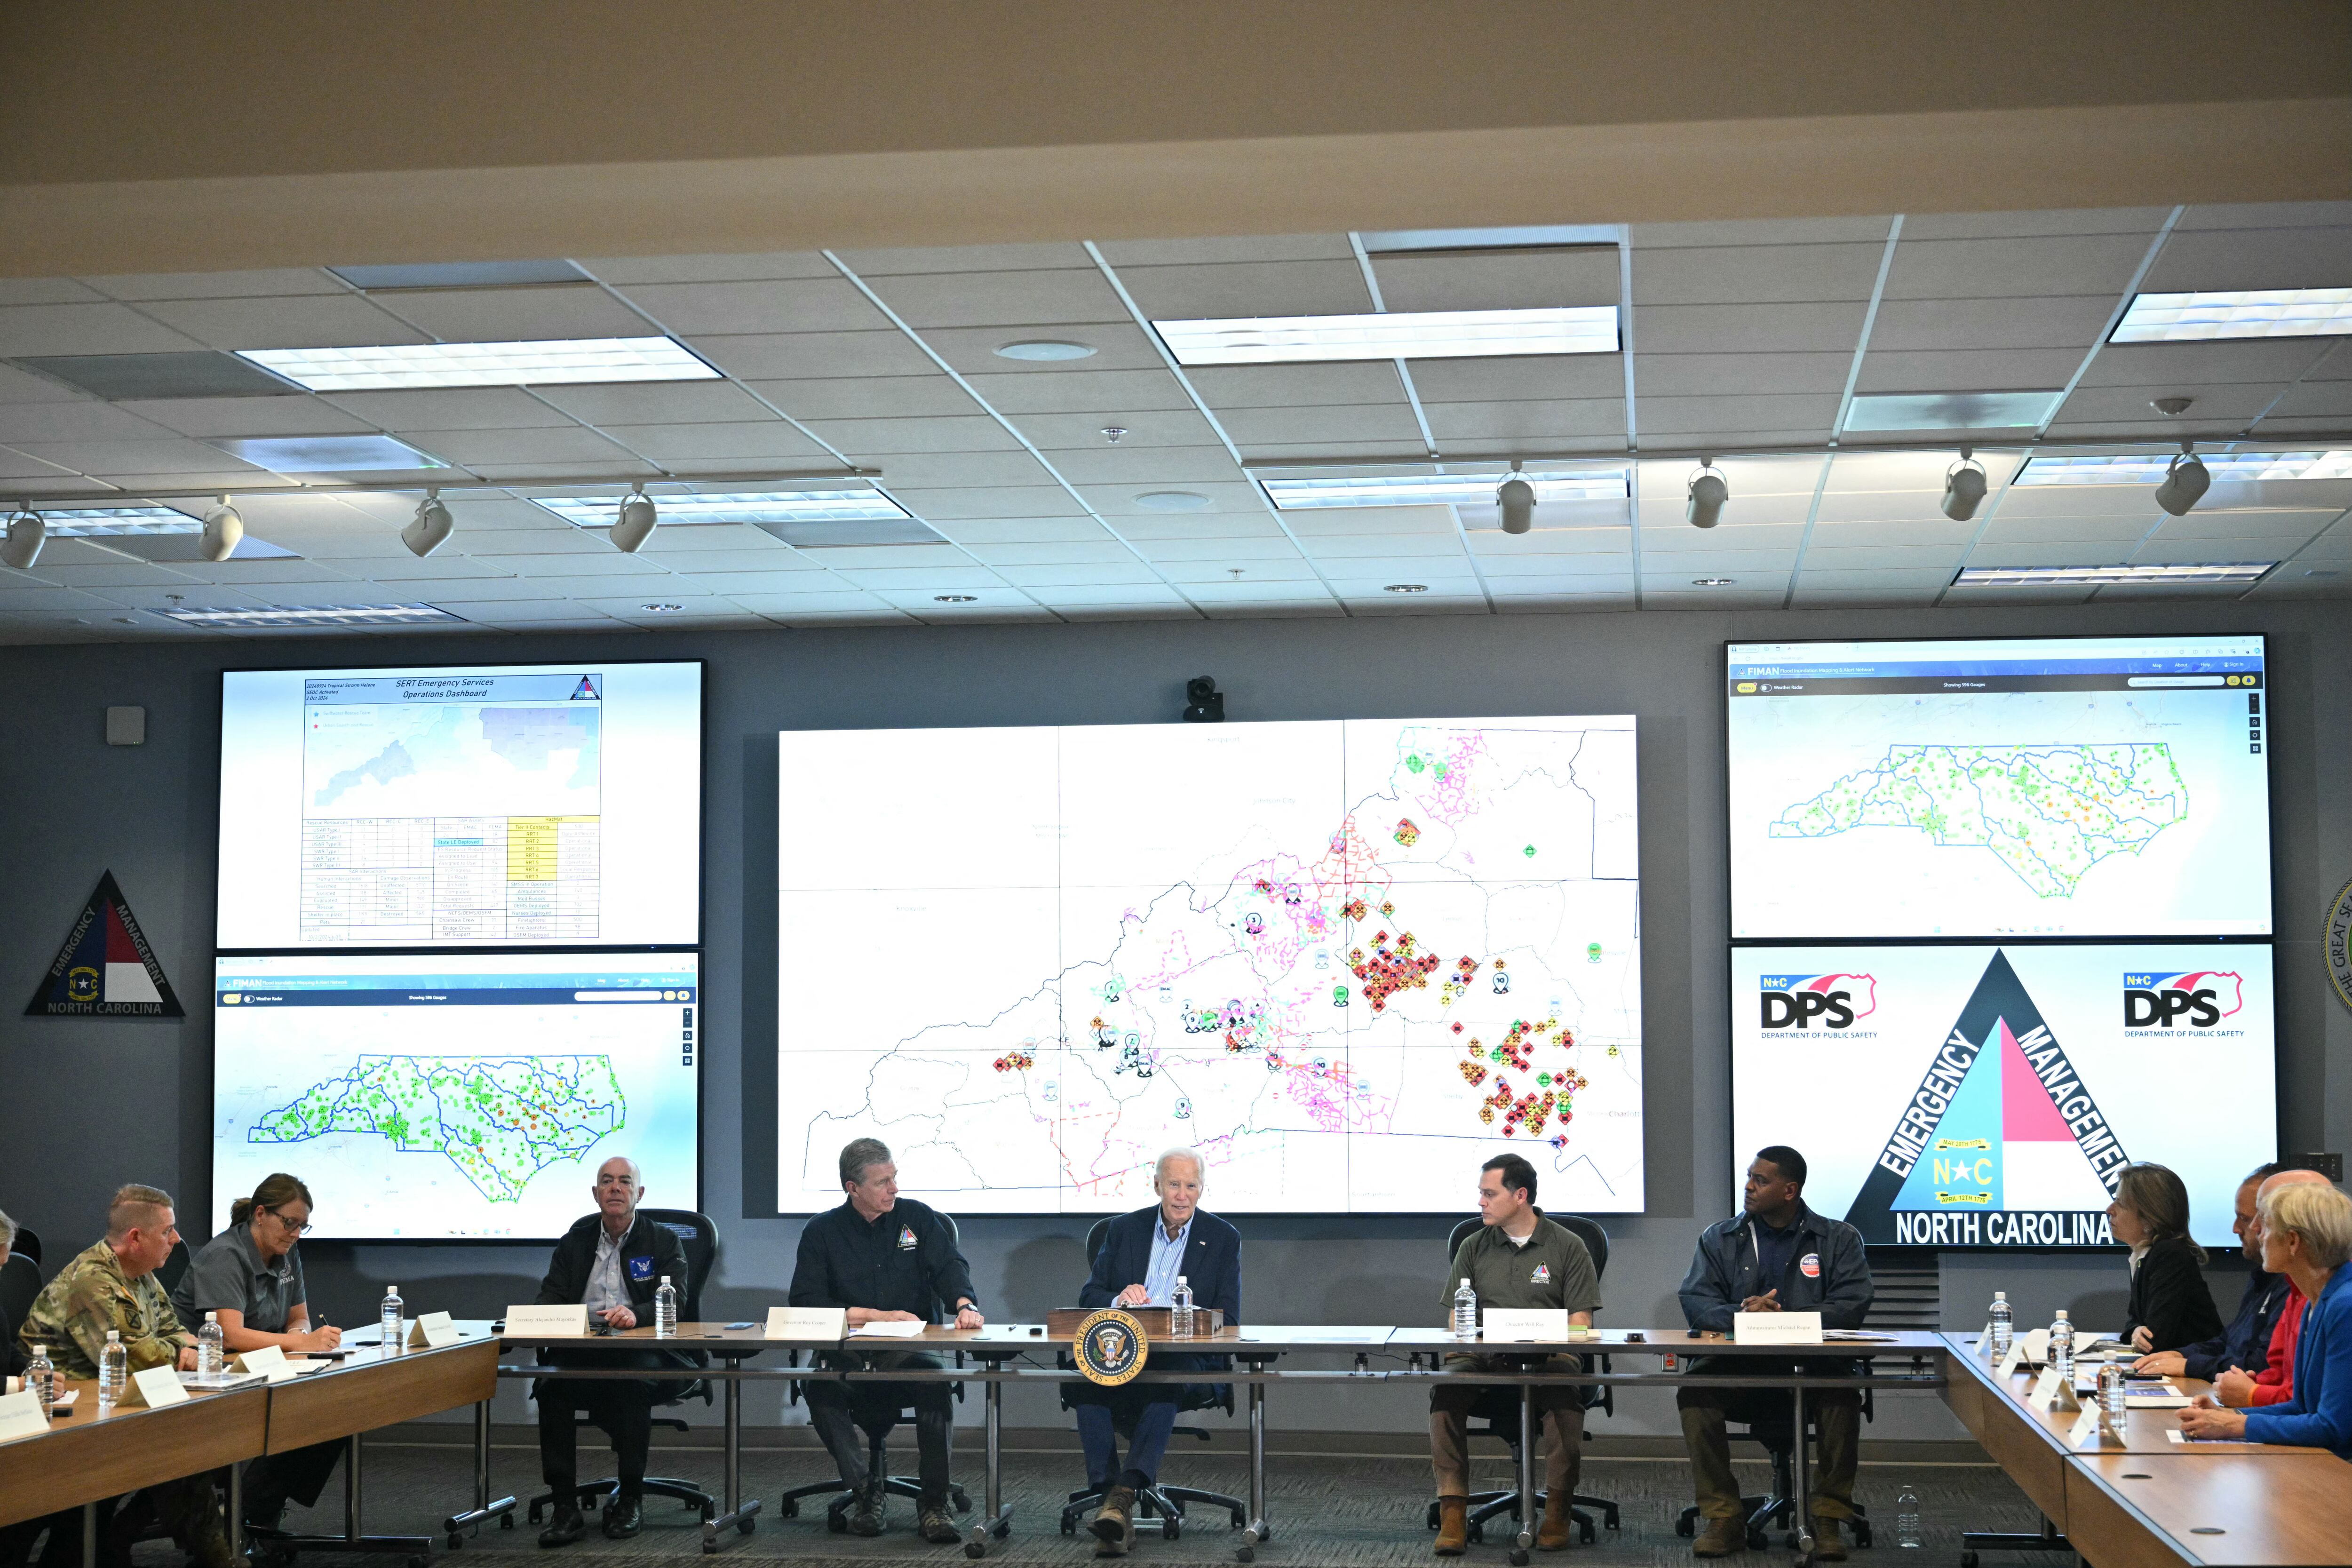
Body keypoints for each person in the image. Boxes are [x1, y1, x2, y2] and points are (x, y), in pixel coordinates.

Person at [17, 1185, 230, 1568]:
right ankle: (211, 1555)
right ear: (136, 1238)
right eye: (168, 1231)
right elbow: (140, 1358)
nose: (177, 1240)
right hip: (58, 1416)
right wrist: (179, 1353)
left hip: (111, 1404)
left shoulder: (141, 1274)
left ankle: (128, 1539)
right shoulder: (93, 1279)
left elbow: (176, 1332)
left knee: (192, 1441)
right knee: (179, 1443)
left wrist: (182, 1350)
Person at [1677, 1147, 1872, 1562]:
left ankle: (1827, 1515)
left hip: (1816, 1364)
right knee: (1695, 1391)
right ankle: (1724, 1516)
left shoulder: (1838, 1238)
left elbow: (1852, 1304)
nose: (1748, 1186)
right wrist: (1744, 1315)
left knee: (1842, 1394)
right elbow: (1696, 1300)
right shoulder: (1720, 1236)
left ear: (1790, 1190)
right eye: (1749, 1177)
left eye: (1760, 1180)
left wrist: (1786, 1317)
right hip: (1740, 1364)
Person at [790, 1138, 983, 1544]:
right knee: (819, 1387)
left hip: (908, 1351)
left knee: (933, 1382)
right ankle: (865, 1492)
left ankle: (933, 1502)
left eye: (894, 1178)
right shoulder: (822, 1231)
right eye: (883, 1181)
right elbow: (807, 1302)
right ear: (852, 1188)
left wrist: (964, 1303)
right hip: (848, 1351)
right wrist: (875, 1316)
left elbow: (949, 1266)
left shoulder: (918, 1218)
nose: (894, 1188)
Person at [1071, 1147, 1241, 1557]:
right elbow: (1089, 1295)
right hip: (1126, 1346)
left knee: (1166, 1381)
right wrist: (1117, 1297)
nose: (1182, 1195)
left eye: (1191, 1186)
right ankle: (1110, 1496)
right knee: (1087, 1379)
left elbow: (1229, 1315)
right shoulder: (1126, 1229)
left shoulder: (1222, 1237)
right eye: (1174, 1185)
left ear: (1201, 1189)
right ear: (1157, 1186)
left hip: (1185, 1355)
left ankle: (1121, 1497)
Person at [1430, 1153, 1601, 1558]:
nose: (1481, 1202)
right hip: (1485, 1356)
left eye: (1489, 1194)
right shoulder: (1473, 1245)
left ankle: (1558, 1506)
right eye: (1481, 1194)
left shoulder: (1568, 1245)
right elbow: (1458, 1321)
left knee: (1564, 1391)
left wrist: (1538, 1339)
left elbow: (1580, 1325)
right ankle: (1453, 1509)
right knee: (1446, 1391)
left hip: (1550, 1355)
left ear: (1520, 1195)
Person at [529, 1156, 694, 1547]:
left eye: (624, 1181)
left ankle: (630, 1497)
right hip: (583, 1348)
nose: (615, 1188)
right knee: (552, 1388)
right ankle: (565, 1505)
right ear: (595, 1193)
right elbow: (550, 1295)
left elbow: (678, 1302)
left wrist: (634, 1314)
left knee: (630, 1386)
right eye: (607, 1181)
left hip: (641, 1349)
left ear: (639, 1193)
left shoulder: (661, 1240)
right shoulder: (576, 1239)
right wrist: (543, 1316)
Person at [172, 1173, 346, 1535]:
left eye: (303, 1226)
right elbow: (229, 1335)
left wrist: (301, 1336)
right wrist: (299, 1343)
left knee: (334, 1404)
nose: (296, 1233)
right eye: (290, 1223)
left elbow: (299, 1318)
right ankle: (241, 1515)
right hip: (199, 1373)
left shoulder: (287, 1252)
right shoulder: (225, 1255)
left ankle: (254, 1509)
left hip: (257, 1366)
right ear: (261, 1213)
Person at [2178, 1182, 2352, 1456]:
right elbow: (2302, 1407)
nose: (2258, 1234)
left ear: (2293, 1242)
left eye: (2267, 1226)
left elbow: (2334, 1428)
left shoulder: (2345, 1306)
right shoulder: (2316, 1301)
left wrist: (2236, 1425)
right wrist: (2232, 1414)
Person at [2133, 1163, 2289, 1383]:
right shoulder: (2263, 1278)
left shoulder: (2297, 1287)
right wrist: (2181, 1355)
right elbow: (2229, 1342)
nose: (2237, 1228)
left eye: (2247, 1219)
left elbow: (2261, 1366)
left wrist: (2189, 1365)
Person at [2205, 1170, 2338, 1409]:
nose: (2256, 1229)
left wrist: (2250, 1400)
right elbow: (2280, 1376)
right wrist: (2240, 1400)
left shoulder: (2341, 1303)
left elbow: (2328, 1422)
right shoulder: (2301, 1292)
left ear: (2293, 1238)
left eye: (2264, 1219)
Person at [2109, 1162, 2225, 1354]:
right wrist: (2136, 1330)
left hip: (2199, 1373)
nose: (2109, 1210)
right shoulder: (2146, 1253)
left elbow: (2155, 1337)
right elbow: (2134, 1322)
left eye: (2120, 1203)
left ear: (2149, 1217)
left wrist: (2139, 1333)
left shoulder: (2170, 1254)